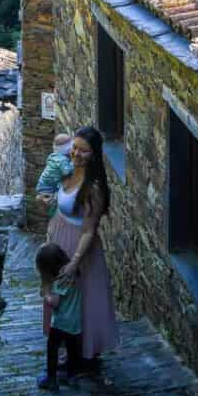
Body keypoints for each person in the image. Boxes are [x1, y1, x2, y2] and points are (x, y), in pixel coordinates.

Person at [44, 125, 118, 362]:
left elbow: (89, 229)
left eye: (84, 151)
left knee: (78, 300)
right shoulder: (66, 170)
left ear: (94, 155)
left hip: (78, 247)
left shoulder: (94, 188)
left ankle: (82, 353)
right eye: (75, 148)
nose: (76, 154)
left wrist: (75, 262)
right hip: (58, 237)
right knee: (61, 297)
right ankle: (68, 348)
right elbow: (61, 202)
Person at [35, 242, 82, 390]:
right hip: (75, 323)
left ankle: (51, 378)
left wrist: (47, 292)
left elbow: (54, 302)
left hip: (61, 323)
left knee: (52, 348)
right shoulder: (73, 272)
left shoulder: (61, 279)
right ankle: (72, 377)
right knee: (73, 350)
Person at [35, 132, 74, 218]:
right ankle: (54, 216)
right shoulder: (62, 160)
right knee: (52, 204)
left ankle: (52, 216)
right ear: (67, 149)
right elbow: (66, 172)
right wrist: (73, 162)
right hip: (47, 189)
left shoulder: (53, 156)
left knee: (48, 202)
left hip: (42, 185)